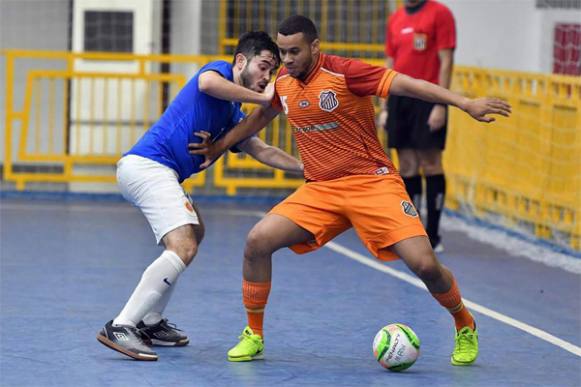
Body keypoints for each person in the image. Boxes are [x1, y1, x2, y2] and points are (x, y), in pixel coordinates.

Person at [190, 15, 510, 366]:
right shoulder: (283, 81)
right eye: (282, 53)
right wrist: (219, 147)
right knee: (257, 243)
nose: (288, 59)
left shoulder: (346, 73)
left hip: (373, 184)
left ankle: (464, 323)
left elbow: (409, 84)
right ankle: (254, 334)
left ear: (315, 46)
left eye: (294, 51)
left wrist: (465, 103)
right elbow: (257, 120)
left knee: (425, 265)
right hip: (321, 190)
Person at [96, 31, 304, 361]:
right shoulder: (219, 72)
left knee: (195, 232)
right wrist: (264, 99)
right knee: (184, 245)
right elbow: (207, 84)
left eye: (271, 72)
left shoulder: (233, 113)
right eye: (264, 67)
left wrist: (309, 168)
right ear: (241, 61)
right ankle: (123, 325)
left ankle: (150, 321)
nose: (267, 77)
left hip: (159, 173)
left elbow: (262, 149)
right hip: (148, 166)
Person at [382, 0, 457, 252]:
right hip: (400, 98)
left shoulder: (440, 13)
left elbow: (446, 60)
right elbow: (390, 61)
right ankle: (413, 232)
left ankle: (433, 234)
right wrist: (385, 106)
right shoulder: (396, 18)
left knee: (430, 162)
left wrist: (441, 104)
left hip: (428, 96)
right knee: (406, 165)